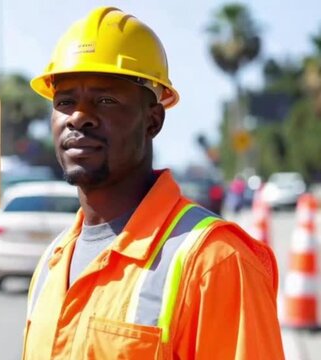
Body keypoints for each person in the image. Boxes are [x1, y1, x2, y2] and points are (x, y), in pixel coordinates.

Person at [22, 7, 284, 359]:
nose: (79, 117)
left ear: (153, 120)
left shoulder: (214, 262)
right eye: (65, 101)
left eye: (105, 100)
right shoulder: (52, 263)